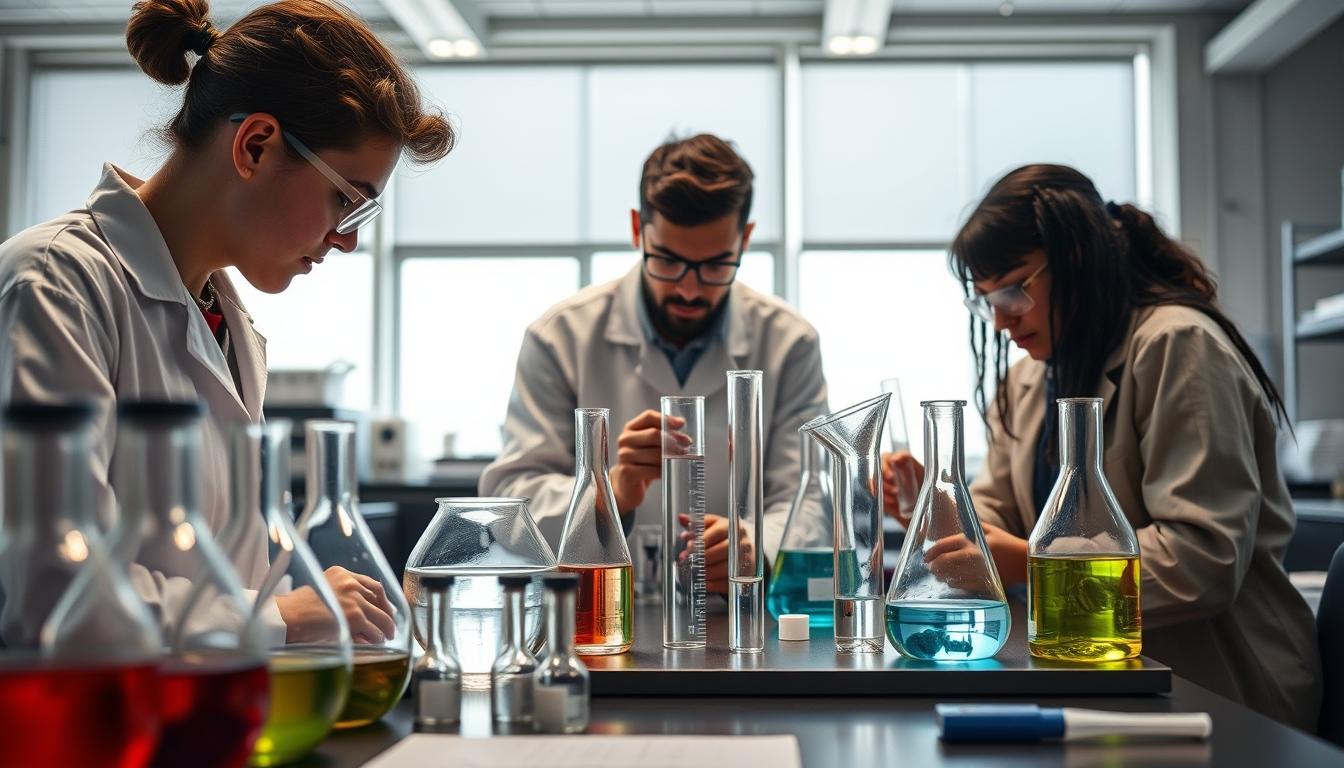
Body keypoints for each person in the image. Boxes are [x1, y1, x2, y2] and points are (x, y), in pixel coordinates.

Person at [0, 0, 453, 646]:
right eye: (346, 202)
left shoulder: (227, 322)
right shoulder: (55, 284)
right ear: (256, 145)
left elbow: (227, 571)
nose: (346, 242)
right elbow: (53, 592)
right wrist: (279, 616)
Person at [880, 164, 1321, 730]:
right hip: (1086, 679)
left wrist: (1029, 562)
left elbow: (1201, 559)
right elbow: (996, 521)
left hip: (1217, 692)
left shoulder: (1175, 345)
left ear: (1078, 259)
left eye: (1015, 289)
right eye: (984, 300)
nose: (1000, 318)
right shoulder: (1028, 380)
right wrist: (932, 509)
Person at [480, 135, 828, 591]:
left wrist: (755, 546)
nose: (688, 289)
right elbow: (509, 505)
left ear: (744, 240)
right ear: (636, 229)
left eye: (716, 265)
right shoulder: (560, 336)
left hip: (739, 617)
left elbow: (811, 496)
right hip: (597, 621)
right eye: (668, 260)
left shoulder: (789, 342)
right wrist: (611, 491)